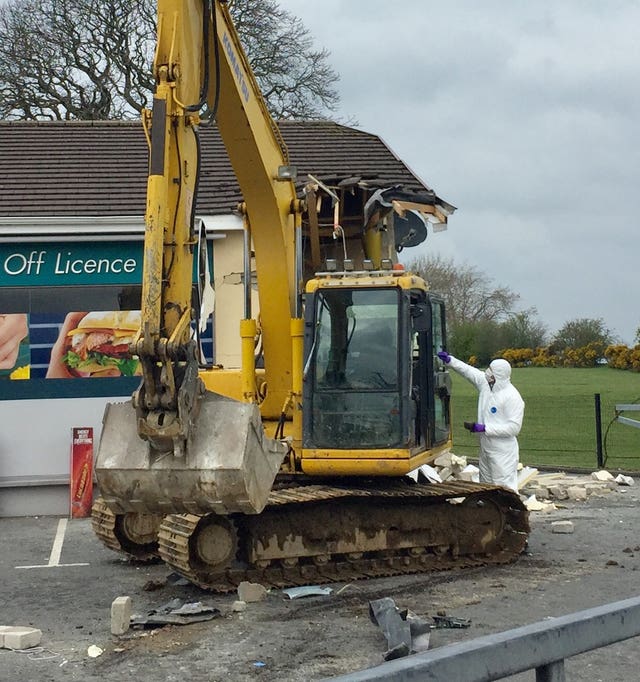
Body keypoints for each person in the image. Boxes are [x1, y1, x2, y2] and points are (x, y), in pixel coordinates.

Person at [437, 350, 525, 492]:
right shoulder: (486, 385)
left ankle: (509, 512)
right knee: (486, 485)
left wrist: (485, 428)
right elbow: (468, 371)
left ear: (499, 374)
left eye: (491, 370)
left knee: (503, 487)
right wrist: (450, 360)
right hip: (485, 448)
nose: (487, 372)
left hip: (502, 452)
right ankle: (489, 512)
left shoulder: (512, 397)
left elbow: (514, 428)